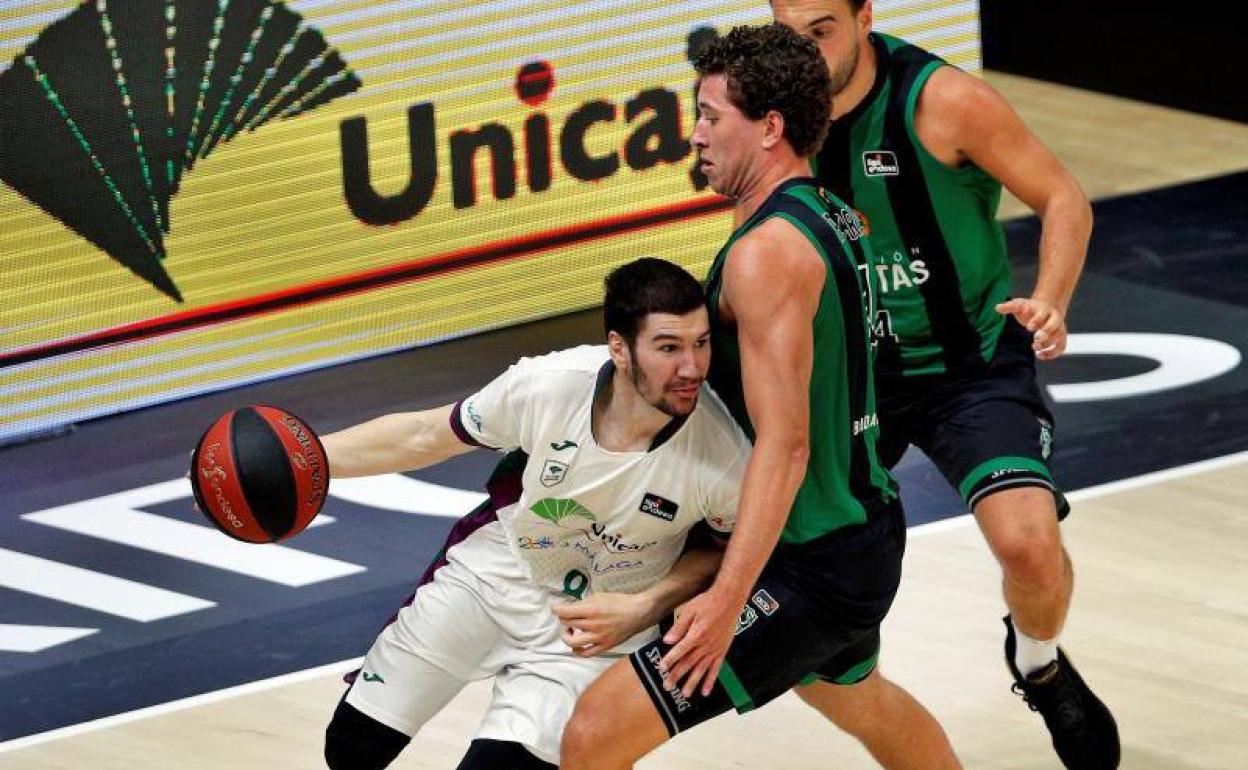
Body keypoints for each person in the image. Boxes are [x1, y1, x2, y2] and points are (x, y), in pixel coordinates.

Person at [561, 24, 961, 770]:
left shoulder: (766, 254)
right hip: (856, 528)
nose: (697, 134)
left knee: (592, 736)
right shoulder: (831, 213)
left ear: (770, 127)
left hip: (810, 557)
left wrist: (723, 601)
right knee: (862, 702)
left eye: (711, 115)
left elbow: (788, 442)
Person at [768, 1, 1119, 768]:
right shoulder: (770, 109)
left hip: (970, 363)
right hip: (848, 375)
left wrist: (1052, 299)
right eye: (791, 33)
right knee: (797, 568)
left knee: (1030, 549)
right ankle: (870, 698)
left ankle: (1038, 661)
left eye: (823, 29)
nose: (808, 51)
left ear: (865, 16)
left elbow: (1064, 198)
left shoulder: (942, 101)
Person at [320, 258, 752, 770]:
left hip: (598, 629)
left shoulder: (724, 455)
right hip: (494, 576)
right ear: (619, 348)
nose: (691, 368)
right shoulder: (548, 385)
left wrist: (649, 605)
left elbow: (729, 555)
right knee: (351, 748)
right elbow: (425, 434)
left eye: (700, 343)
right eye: (668, 348)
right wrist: (307, 458)